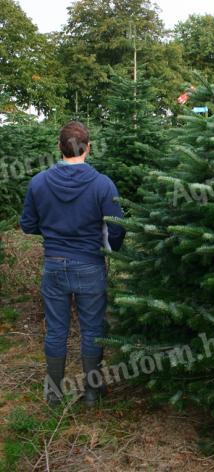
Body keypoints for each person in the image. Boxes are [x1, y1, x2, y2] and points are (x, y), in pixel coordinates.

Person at [20, 121, 126, 407]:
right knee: (93, 328)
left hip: (53, 265)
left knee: (56, 329)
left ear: (59, 147)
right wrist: (111, 249)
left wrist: (55, 233)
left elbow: (27, 224)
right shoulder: (102, 184)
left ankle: (54, 394)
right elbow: (117, 226)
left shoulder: (39, 182)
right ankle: (92, 393)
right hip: (90, 266)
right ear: (88, 148)